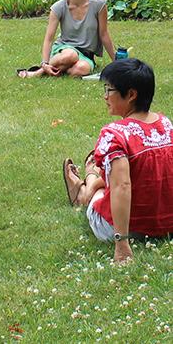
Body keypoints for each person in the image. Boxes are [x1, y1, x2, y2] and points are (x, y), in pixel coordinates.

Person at [62, 59, 173, 263]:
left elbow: (122, 186)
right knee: (128, 171)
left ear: (131, 95)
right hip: (167, 225)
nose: (105, 96)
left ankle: (86, 187)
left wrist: (121, 244)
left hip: (128, 228)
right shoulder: (166, 125)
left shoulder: (114, 135)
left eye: (109, 90)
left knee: (103, 188)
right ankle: (94, 175)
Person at [18, 0, 116, 78]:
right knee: (70, 55)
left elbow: (104, 34)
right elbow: (49, 39)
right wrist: (44, 63)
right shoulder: (58, 8)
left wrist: (116, 62)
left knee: (81, 69)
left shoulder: (99, 4)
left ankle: (60, 68)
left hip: (86, 54)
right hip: (64, 48)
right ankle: (39, 72)